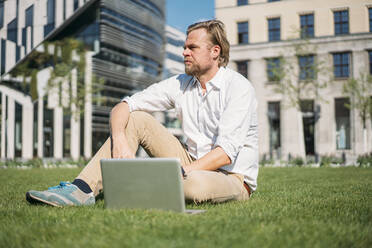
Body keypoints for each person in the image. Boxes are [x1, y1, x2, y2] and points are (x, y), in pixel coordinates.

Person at [26, 20, 258, 207]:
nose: (184, 52)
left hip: (231, 177)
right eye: (184, 47)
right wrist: (119, 141)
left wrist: (180, 172)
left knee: (192, 185)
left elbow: (225, 154)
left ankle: (138, 186)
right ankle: (81, 189)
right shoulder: (181, 83)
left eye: (192, 48)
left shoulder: (238, 87)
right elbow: (124, 105)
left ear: (215, 51)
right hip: (190, 162)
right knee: (135, 118)